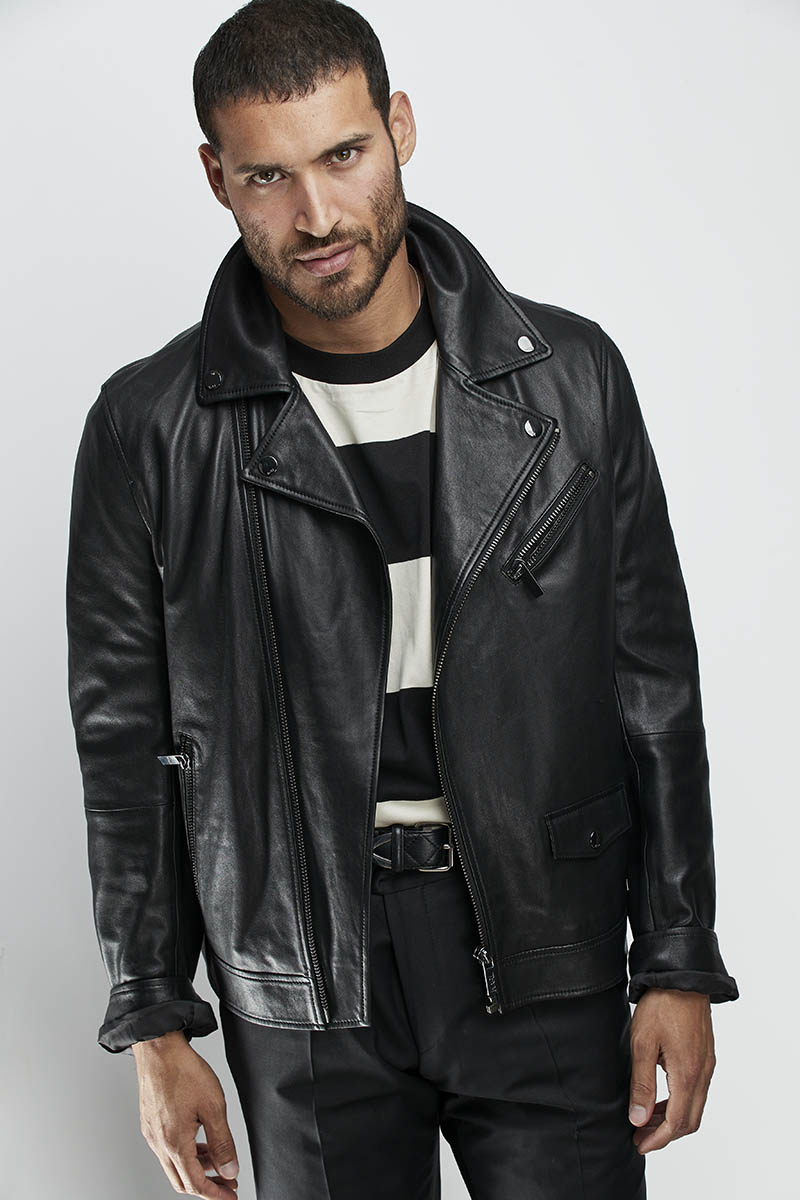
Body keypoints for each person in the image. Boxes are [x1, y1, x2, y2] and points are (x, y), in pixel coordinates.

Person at [65, 1, 739, 1197]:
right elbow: (125, 741)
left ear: (400, 129)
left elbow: (650, 687)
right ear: (216, 178)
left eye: (343, 155)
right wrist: (154, 1021)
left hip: (543, 939)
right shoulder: (148, 426)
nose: (317, 215)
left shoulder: (569, 380)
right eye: (267, 177)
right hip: (302, 971)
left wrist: (676, 962)